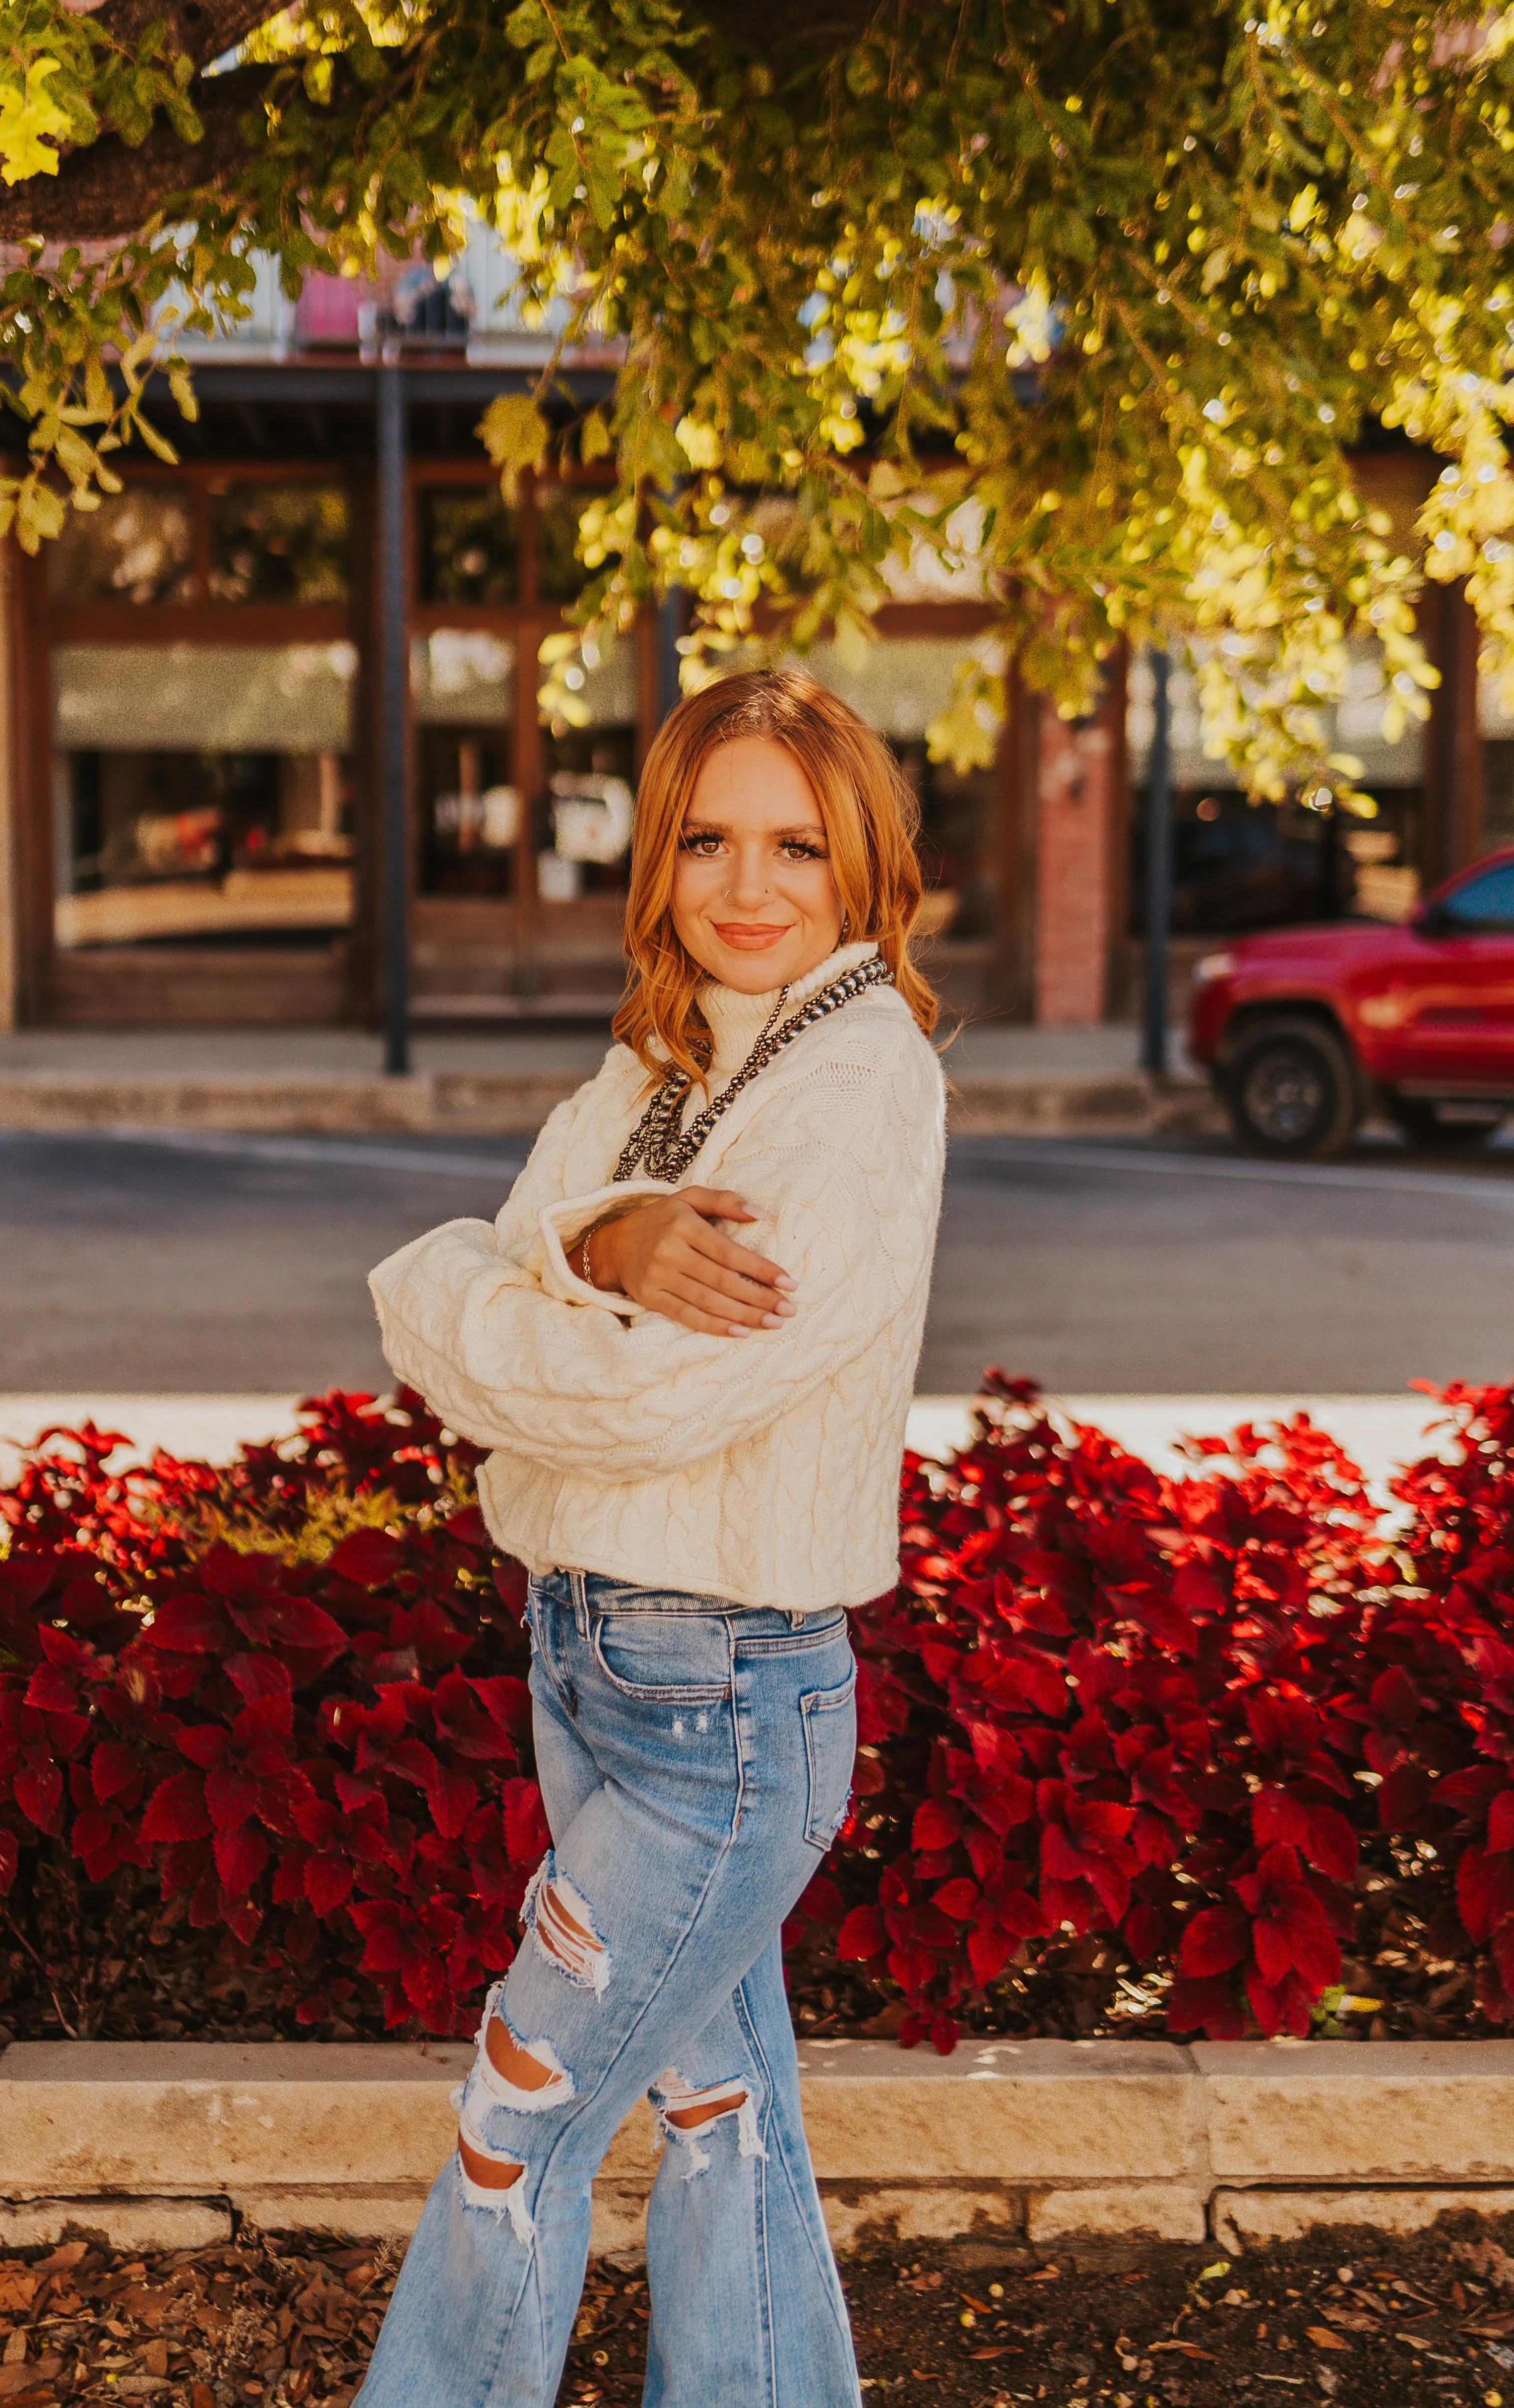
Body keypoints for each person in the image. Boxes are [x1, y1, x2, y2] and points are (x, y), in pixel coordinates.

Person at [360, 666, 947, 2407]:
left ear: (861, 868)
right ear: (657, 860)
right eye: (707, 840)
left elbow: (638, 1401)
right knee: (718, 2114)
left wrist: (452, 1278)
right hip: (591, 1658)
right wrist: (601, 1247)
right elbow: (531, 1261)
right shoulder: (660, 1054)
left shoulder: (858, 1081)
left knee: (514, 2114)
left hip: (728, 1710)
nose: (748, 888)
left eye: (795, 845)